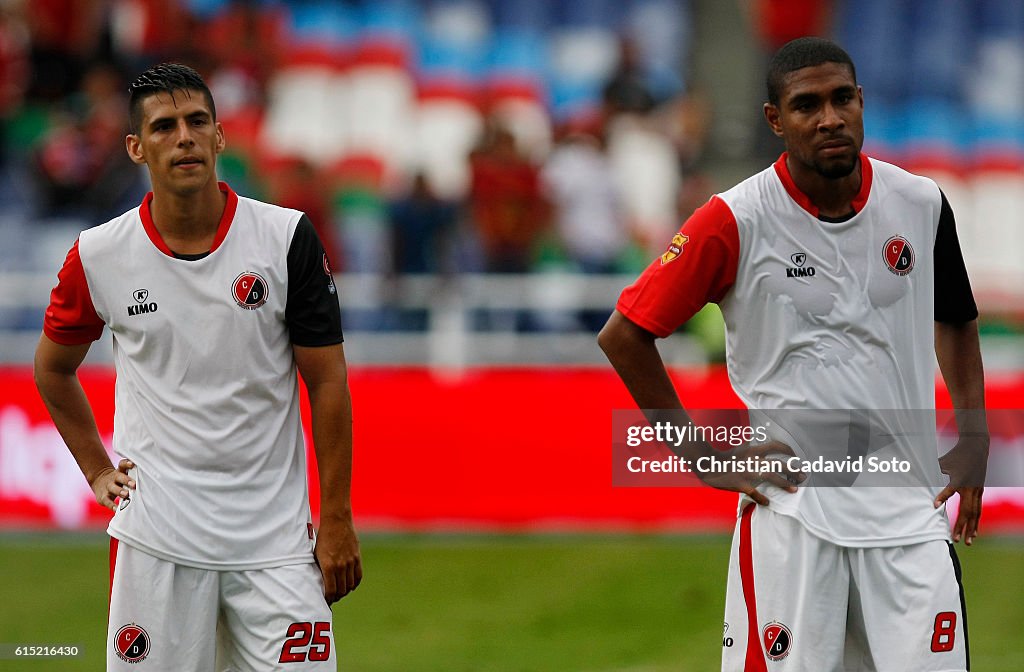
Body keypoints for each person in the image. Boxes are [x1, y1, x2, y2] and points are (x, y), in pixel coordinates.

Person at [598, 37, 987, 671]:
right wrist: (700, 457)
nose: (829, 117)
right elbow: (624, 333)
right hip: (795, 514)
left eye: (841, 99)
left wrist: (973, 436)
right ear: (775, 120)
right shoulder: (734, 219)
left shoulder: (919, 202)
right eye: (807, 105)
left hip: (908, 513)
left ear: (862, 102)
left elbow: (957, 319)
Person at [33, 63, 360, 671]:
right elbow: (52, 369)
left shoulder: (285, 238)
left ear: (219, 137)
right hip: (157, 544)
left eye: (196, 122)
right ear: (136, 147)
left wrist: (336, 518)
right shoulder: (100, 254)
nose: (183, 137)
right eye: (163, 127)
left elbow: (328, 382)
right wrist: (97, 470)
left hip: (277, 545)